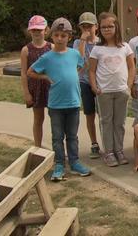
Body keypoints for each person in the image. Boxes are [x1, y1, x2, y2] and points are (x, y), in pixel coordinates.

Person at [28, 17, 91, 181]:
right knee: (57, 137)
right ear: (52, 36)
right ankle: (59, 164)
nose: (60, 38)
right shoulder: (47, 57)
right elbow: (30, 72)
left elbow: (82, 64)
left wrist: (75, 75)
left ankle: (75, 162)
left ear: (69, 37)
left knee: (72, 136)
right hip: (55, 105)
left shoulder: (74, 54)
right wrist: (45, 77)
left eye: (64, 36)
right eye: (57, 35)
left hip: (73, 103)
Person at [89, 12, 136, 167]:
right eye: (103, 27)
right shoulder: (97, 49)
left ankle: (119, 150)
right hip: (104, 92)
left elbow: (131, 67)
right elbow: (91, 70)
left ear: (116, 26)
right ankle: (109, 152)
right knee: (106, 121)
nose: (107, 29)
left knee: (120, 122)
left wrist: (128, 86)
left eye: (110, 26)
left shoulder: (125, 47)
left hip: (121, 90)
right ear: (99, 29)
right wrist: (94, 87)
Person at [72, 12, 101, 159]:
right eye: (84, 27)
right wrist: (83, 41)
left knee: (103, 115)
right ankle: (94, 142)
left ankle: (108, 143)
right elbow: (80, 62)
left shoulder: (101, 42)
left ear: (96, 26)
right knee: (90, 114)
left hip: (101, 83)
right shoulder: (77, 43)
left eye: (90, 26)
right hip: (84, 82)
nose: (87, 30)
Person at [20, 15, 51, 147]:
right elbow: (23, 73)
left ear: (46, 30)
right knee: (38, 119)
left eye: (40, 29)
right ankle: (38, 146)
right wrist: (26, 93)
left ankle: (58, 148)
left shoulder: (52, 47)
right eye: (34, 30)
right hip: (35, 88)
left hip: (51, 87)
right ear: (29, 31)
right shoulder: (26, 50)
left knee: (56, 119)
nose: (37, 32)